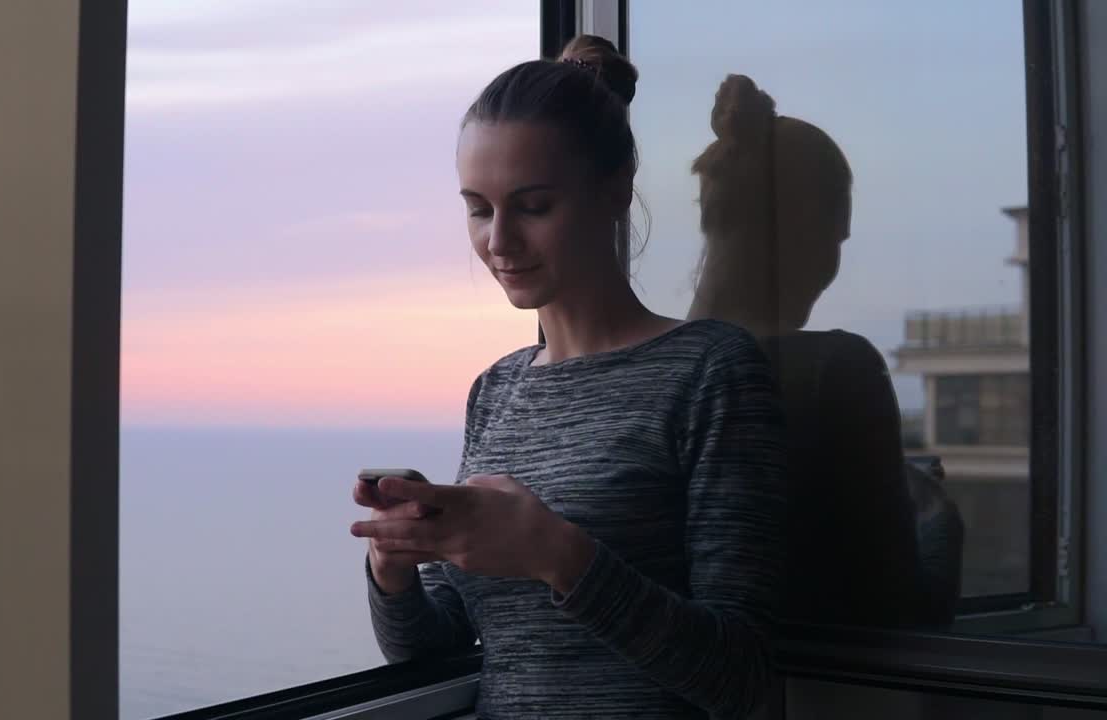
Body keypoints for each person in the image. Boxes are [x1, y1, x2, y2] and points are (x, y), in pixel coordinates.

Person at [349, 37, 788, 720]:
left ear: (615, 190)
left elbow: (745, 678)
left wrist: (557, 553)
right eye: (478, 208)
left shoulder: (710, 371)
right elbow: (438, 649)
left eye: (532, 206)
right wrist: (394, 568)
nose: (498, 241)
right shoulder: (496, 391)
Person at [685, 74, 962, 628]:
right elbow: (903, 612)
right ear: (810, 228)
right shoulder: (835, 373)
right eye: (840, 234)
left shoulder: (652, 364)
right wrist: (936, 513)